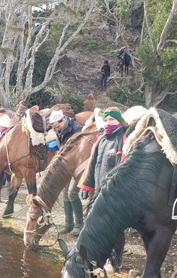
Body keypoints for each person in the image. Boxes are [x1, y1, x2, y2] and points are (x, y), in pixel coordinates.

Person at [79, 106, 128, 269]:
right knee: (98, 224)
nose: (108, 123)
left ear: (119, 121)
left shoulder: (124, 140)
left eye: (112, 119)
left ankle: (115, 261)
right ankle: (101, 254)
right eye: (105, 120)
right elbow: (92, 165)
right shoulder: (101, 140)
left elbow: (125, 168)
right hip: (99, 191)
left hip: (116, 193)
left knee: (115, 228)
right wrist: (86, 186)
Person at [49, 110, 84, 235]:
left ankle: (79, 224)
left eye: (58, 126)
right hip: (65, 165)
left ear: (63, 119)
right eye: (54, 128)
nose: (57, 129)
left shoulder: (77, 129)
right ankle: (68, 224)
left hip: (77, 165)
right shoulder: (57, 130)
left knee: (72, 193)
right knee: (65, 194)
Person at [0, 115, 12, 202]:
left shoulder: (8, 134)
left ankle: (9, 197)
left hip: (7, 158)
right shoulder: (0, 133)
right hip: (1, 158)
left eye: (0, 125)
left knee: (8, 177)